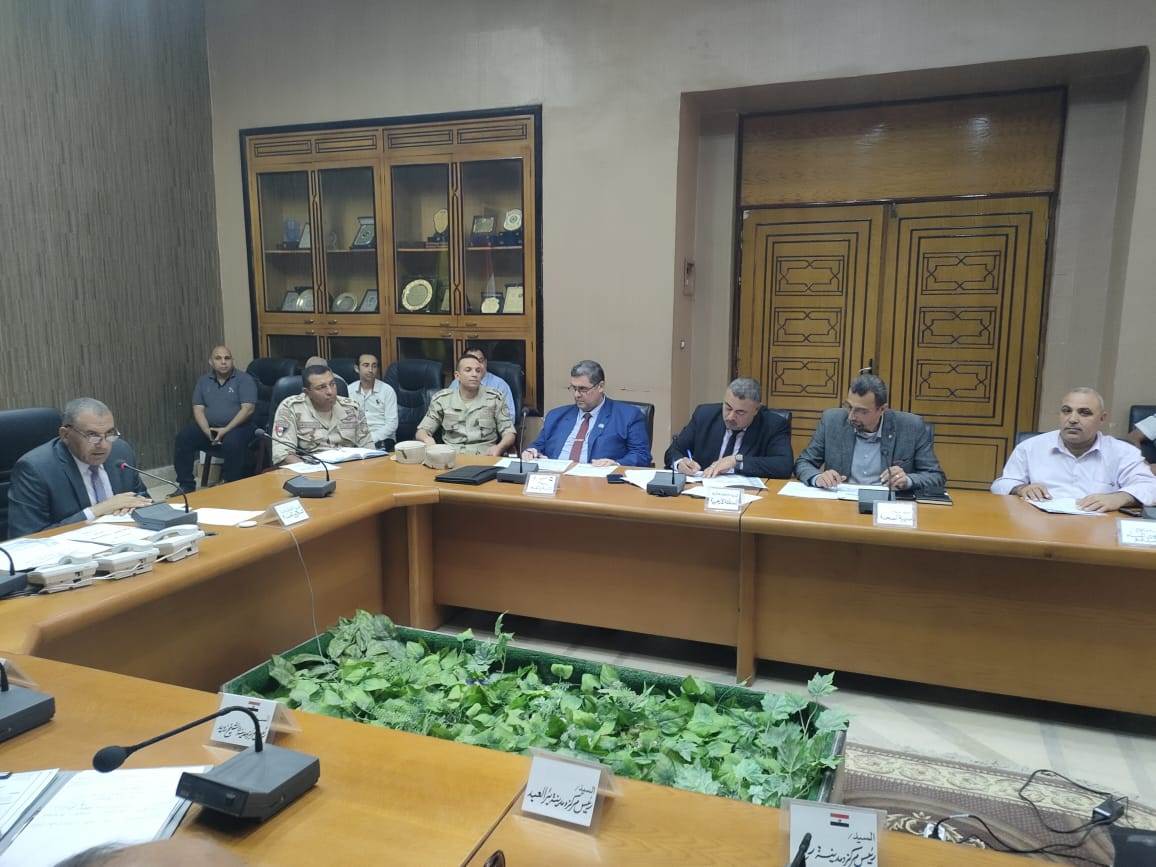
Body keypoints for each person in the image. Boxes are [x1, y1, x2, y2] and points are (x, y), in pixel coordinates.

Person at [992, 387, 1156, 511]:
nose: (1072, 419)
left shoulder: (1123, 452)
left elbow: (1150, 487)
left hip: (1098, 528)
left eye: (1084, 413)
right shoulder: (1030, 447)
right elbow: (1001, 484)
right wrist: (1021, 489)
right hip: (1040, 526)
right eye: (1066, 411)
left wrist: (1120, 497)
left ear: (1102, 418)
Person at [7, 398, 151, 537]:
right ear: (65, 435)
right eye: (92, 435)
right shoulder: (35, 469)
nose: (103, 445)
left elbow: (143, 501)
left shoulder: (121, 452)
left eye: (109, 434)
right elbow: (28, 537)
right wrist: (97, 511)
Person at [795, 373, 946, 494]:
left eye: (861, 411)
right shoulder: (832, 421)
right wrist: (818, 477)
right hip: (840, 505)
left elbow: (935, 476)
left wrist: (907, 480)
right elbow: (804, 463)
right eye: (849, 407)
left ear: (882, 409)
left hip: (888, 507)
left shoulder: (911, 427)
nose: (851, 416)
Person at [523, 360, 651, 467]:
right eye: (574, 388)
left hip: (599, 482)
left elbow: (641, 455)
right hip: (555, 478)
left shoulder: (628, 416)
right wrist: (531, 452)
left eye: (583, 389)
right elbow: (538, 446)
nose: (576, 395)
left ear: (600, 386)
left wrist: (616, 464)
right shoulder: (556, 416)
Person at [665, 377, 793, 478]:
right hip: (702, 491)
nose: (730, 417)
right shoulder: (704, 415)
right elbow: (673, 451)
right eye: (728, 408)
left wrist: (736, 461)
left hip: (748, 496)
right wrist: (679, 463)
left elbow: (784, 466)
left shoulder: (773, 425)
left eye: (740, 412)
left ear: (756, 410)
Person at [172, 345, 257, 493]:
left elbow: (248, 409)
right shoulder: (204, 381)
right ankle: (185, 485)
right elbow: (198, 409)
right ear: (211, 362)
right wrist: (207, 431)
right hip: (210, 428)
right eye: (218, 358)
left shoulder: (244, 380)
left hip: (239, 427)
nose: (223, 362)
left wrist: (225, 430)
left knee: (232, 442)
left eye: (227, 358)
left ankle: (230, 485)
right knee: (184, 437)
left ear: (232, 361)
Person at [270, 364, 373, 465]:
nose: (330, 391)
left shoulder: (352, 408)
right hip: (311, 469)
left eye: (332, 384)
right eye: (321, 387)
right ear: (307, 392)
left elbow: (369, 449)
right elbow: (283, 455)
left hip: (350, 468)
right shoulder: (290, 408)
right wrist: (310, 471)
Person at [417, 353, 515, 456]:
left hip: (485, 457)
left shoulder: (495, 398)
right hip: (452, 457)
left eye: (478, 371)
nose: (474, 374)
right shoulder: (442, 399)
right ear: (457, 376)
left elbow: (509, 432)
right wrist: (427, 439)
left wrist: (499, 448)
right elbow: (422, 431)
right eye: (468, 370)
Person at [347, 353, 398, 449]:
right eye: (366, 365)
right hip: (356, 439)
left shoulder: (387, 390)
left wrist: (370, 439)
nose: (371, 370)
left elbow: (392, 424)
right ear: (357, 368)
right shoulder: (349, 390)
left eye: (374, 366)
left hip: (382, 439)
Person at [450, 346, 516, 420]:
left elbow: (509, 417)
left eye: (480, 361)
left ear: (485, 362)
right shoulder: (456, 383)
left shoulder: (500, 385)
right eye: (471, 362)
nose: (476, 365)